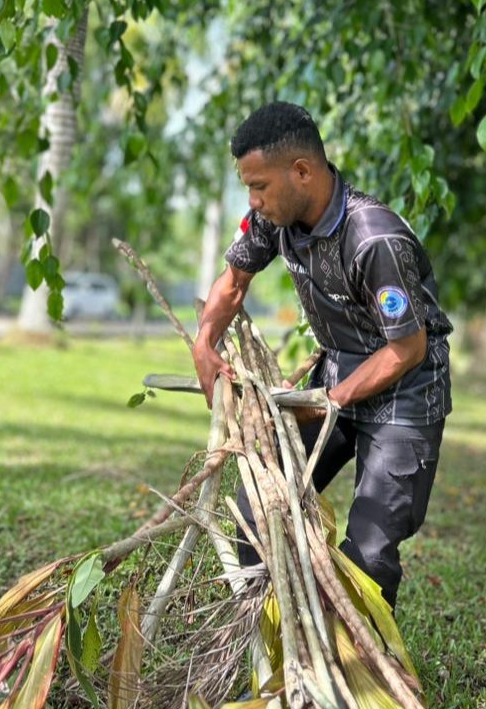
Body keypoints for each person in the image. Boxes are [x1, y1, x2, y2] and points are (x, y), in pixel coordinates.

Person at [192, 101, 453, 610]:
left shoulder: (373, 238)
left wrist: (329, 401)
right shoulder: (276, 216)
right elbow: (235, 281)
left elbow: (408, 347)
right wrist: (205, 344)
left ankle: (364, 669)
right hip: (340, 372)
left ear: (303, 172)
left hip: (406, 388)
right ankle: (263, 631)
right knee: (258, 504)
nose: (253, 200)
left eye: (259, 186)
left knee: (370, 553)